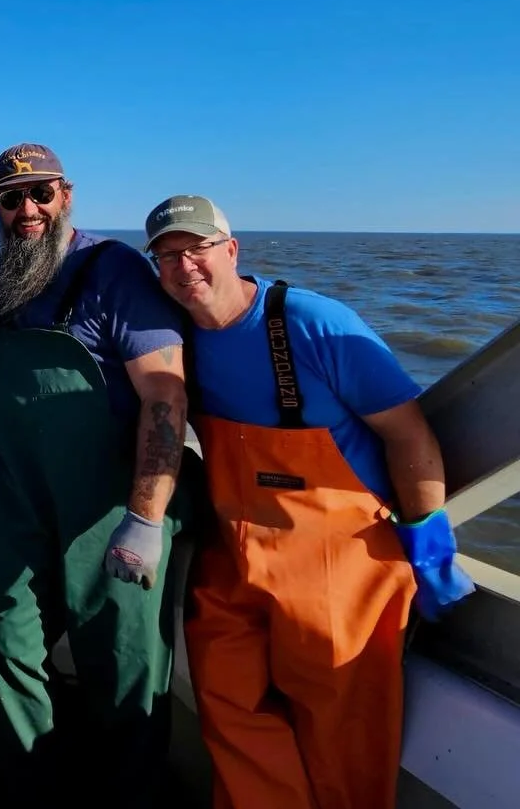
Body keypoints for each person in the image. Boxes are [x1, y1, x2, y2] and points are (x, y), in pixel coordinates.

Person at [143, 194, 475, 809]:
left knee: (343, 733)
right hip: (234, 558)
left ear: (232, 250)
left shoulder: (315, 324)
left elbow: (408, 434)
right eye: (165, 256)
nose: (183, 267)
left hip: (341, 565)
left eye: (197, 249)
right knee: (225, 703)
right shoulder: (173, 338)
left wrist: (428, 541)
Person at [0, 143, 199, 802]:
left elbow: (165, 397)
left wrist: (145, 518)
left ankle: (128, 793)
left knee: (123, 657)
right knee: (8, 639)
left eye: (41, 193)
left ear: (66, 196)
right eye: (11, 198)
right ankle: (25, 783)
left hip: (111, 499)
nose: (27, 209)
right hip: (20, 490)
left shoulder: (111, 269)